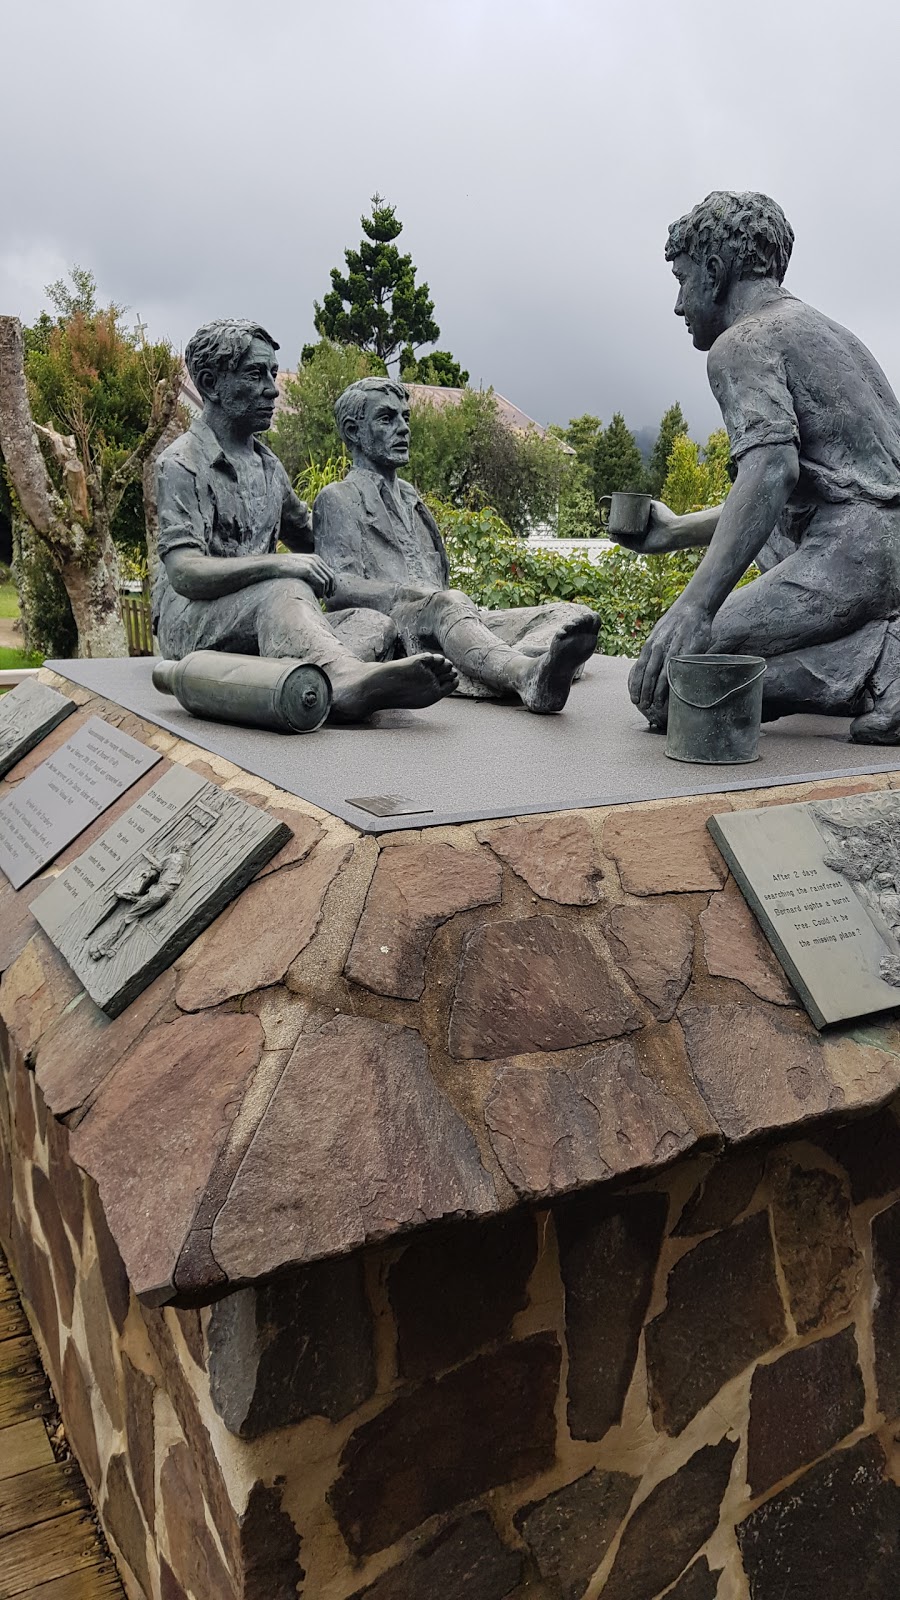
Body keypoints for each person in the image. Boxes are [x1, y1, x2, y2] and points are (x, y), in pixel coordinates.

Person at [620, 191, 900, 743]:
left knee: (663, 687)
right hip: (877, 548)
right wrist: (675, 532)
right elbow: (815, 488)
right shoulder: (831, 335)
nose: (679, 304)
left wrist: (694, 608)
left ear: (715, 271)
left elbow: (772, 473)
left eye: (682, 278)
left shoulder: (741, 345)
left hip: (855, 556)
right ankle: (875, 651)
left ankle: (876, 666)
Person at [152, 320, 457, 721]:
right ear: (210, 384)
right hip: (193, 621)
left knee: (372, 622)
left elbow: (315, 541)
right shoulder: (180, 463)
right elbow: (185, 573)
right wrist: (279, 565)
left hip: (261, 619)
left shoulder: (269, 467)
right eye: (254, 374)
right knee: (283, 589)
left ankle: (313, 678)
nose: (272, 389)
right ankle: (345, 684)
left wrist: (377, 529)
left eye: (273, 374)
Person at [312, 378, 601, 713]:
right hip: (402, 628)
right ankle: (523, 676)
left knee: (572, 614)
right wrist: (404, 595)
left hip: (452, 622)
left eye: (406, 418)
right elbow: (337, 587)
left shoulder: (410, 496)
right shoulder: (338, 498)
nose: (403, 428)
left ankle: (502, 665)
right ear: (352, 431)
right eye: (387, 419)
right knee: (447, 603)